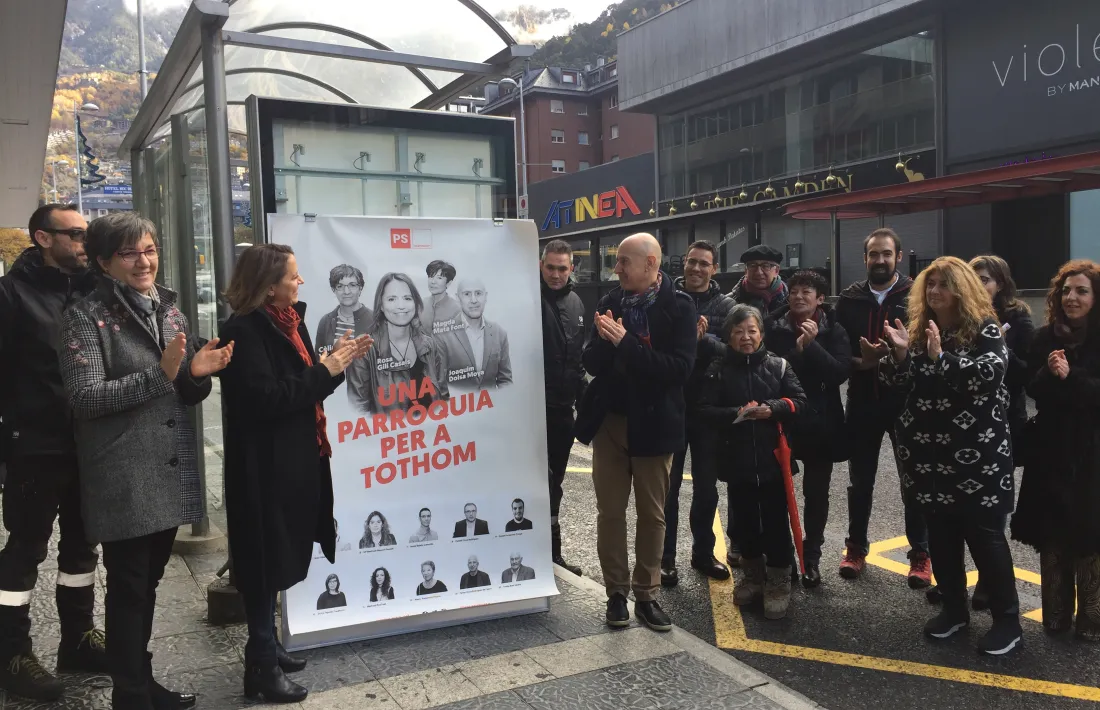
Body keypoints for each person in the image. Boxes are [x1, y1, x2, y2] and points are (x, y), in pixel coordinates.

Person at [59, 212, 232, 708]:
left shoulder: (169, 309)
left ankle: (140, 682)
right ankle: (130, 692)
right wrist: (163, 373)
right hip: (124, 474)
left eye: (150, 249)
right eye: (130, 253)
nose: (144, 261)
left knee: (146, 585)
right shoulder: (85, 316)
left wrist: (197, 372)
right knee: (130, 586)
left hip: (168, 469)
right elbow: (86, 398)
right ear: (103, 262)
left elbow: (185, 390)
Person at [220, 243, 371, 704]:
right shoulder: (243, 332)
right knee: (264, 562)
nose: (299, 282)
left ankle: (266, 644)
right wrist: (325, 369)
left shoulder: (291, 322)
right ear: (269, 286)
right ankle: (261, 664)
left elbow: (306, 388)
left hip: (296, 458)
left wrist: (335, 364)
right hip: (263, 467)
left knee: (281, 555)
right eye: (293, 276)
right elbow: (266, 399)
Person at [879, 256, 1020, 656]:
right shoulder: (922, 331)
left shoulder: (986, 328)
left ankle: (1008, 621)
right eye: (931, 285)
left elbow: (988, 376)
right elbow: (896, 382)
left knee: (985, 537)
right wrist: (903, 355)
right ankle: (955, 610)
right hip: (926, 456)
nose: (935, 292)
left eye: (943, 284)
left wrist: (942, 359)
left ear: (962, 289)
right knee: (940, 535)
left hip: (978, 458)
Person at [0, 204, 104, 701]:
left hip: (88, 446)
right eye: (78, 234)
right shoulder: (11, 295)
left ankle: (78, 639)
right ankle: (12, 655)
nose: (87, 242)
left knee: (82, 547)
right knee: (25, 551)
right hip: (35, 448)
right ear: (43, 238)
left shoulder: (90, 290)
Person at [576, 232, 696, 632]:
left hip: (656, 425)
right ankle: (616, 593)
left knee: (652, 514)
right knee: (610, 512)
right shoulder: (611, 302)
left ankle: (646, 595)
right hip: (611, 422)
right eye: (618, 261)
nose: (617, 269)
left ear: (651, 265)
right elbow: (591, 359)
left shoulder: (679, 307)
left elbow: (677, 370)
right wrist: (608, 343)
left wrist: (626, 342)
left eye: (625, 261)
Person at [696, 305, 806, 619]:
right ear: (729, 336)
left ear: (761, 334)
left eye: (752, 331)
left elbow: (800, 401)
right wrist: (736, 413)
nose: (746, 338)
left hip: (773, 462)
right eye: (738, 332)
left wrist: (773, 408)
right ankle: (752, 576)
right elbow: (703, 410)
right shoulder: (718, 369)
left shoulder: (778, 366)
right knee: (744, 524)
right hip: (736, 461)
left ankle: (779, 581)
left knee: (775, 523)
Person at [835, 228, 930, 586]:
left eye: (886, 254)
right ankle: (856, 548)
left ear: (899, 257)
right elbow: (840, 353)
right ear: (865, 258)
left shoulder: (917, 296)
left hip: (906, 404)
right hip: (862, 401)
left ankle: (920, 554)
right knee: (860, 481)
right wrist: (864, 362)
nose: (879, 260)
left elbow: (927, 349)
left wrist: (894, 357)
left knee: (914, 482)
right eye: (873, 254)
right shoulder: (849, 299)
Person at [1012, 260, 1100, 641]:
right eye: (1066, 290)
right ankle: (1057, 616)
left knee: (1091, 532)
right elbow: (1033, 390)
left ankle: (1092, 621)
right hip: (1051, 451)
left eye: (1081, 290)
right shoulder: (1045, 337)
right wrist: (1049, 373)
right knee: (1053, 532)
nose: (1072, 298)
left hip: (1093, 450)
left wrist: (1071, 376)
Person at [764, 270, 851, 588]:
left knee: (816, 493)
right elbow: (767, 369)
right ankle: (784, 555)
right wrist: (799, 351)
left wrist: (813, 346)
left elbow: (840, 372)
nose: (799, 296)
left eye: (807, 292)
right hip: (782, 419)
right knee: (777, 493)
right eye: (795, 290)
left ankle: (811, 557)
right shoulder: (771, 326)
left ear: (820, 299)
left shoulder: (834, 328)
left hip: (821, 423)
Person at [962, 255, 1034, 611]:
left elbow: (1026, 374)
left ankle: (990, 583)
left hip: (1004, 421)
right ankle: (957, 580)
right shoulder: (962, 315)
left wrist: (999, 351)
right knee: (962, 506)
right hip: (964, 427)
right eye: (973, 279)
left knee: (992, 510)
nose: (979, 285)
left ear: (1001, 284)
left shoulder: (1017, 318)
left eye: (985, 280)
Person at [662, 240, 734, 587]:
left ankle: (703, 553)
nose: (696, 269)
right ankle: (664, 560)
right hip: (671, 405)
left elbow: (737, 349)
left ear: (714, 269)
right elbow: (654, 343)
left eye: (704, 264)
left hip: (708, 409)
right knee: (668, 489)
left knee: (707, 489)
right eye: (691, 262)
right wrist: (683, 339)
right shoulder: (666, 299)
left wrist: (701, 342)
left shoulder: (727, 305)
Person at [539, 240, 586, 576]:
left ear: (571, 269)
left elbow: (578, 359)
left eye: (562, 268)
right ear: (541, 266)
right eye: (550, 267)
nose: (556, 274)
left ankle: (553, 553)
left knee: (555, 483)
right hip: (530, 410)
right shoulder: (525, 296)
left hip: (561, 411)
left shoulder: (576, 301)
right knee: (531, 482)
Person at [346, 273, 447, 414]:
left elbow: (443, 397)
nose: (401, 306)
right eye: (392, 299)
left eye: (407, 298)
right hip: (393, 435)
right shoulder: (365, 348)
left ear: (416, 303)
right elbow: (358, 410)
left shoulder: (429, 344)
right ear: (381, 305)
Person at [440, 277, 513, 390]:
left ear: (485, 296)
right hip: (461, 406)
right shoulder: (443, 335)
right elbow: (440, 385)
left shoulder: (499, 333)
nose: (474, 300)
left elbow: (505, 380)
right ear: (457, 298)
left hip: (494, 406)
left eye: (478, 293)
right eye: (467, 294)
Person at [314, 264, 373, 357]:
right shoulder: (325, 321)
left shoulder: (375, 320)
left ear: (360, 288)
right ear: (334, 289)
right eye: (340, 286)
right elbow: (319, 359)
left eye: (352, 285)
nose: (346, 291)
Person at [729, 245, 788, 315]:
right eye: (753, 266)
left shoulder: (790, 301)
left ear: (776, 271)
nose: (759, 272)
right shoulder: (729, 303)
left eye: (766, 266)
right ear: (745, 271)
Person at [421, 260, 461, 334]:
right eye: (430, 276)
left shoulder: (457, 309)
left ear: (448, 283)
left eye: (439, 278)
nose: (433, 282)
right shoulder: (421, 304)